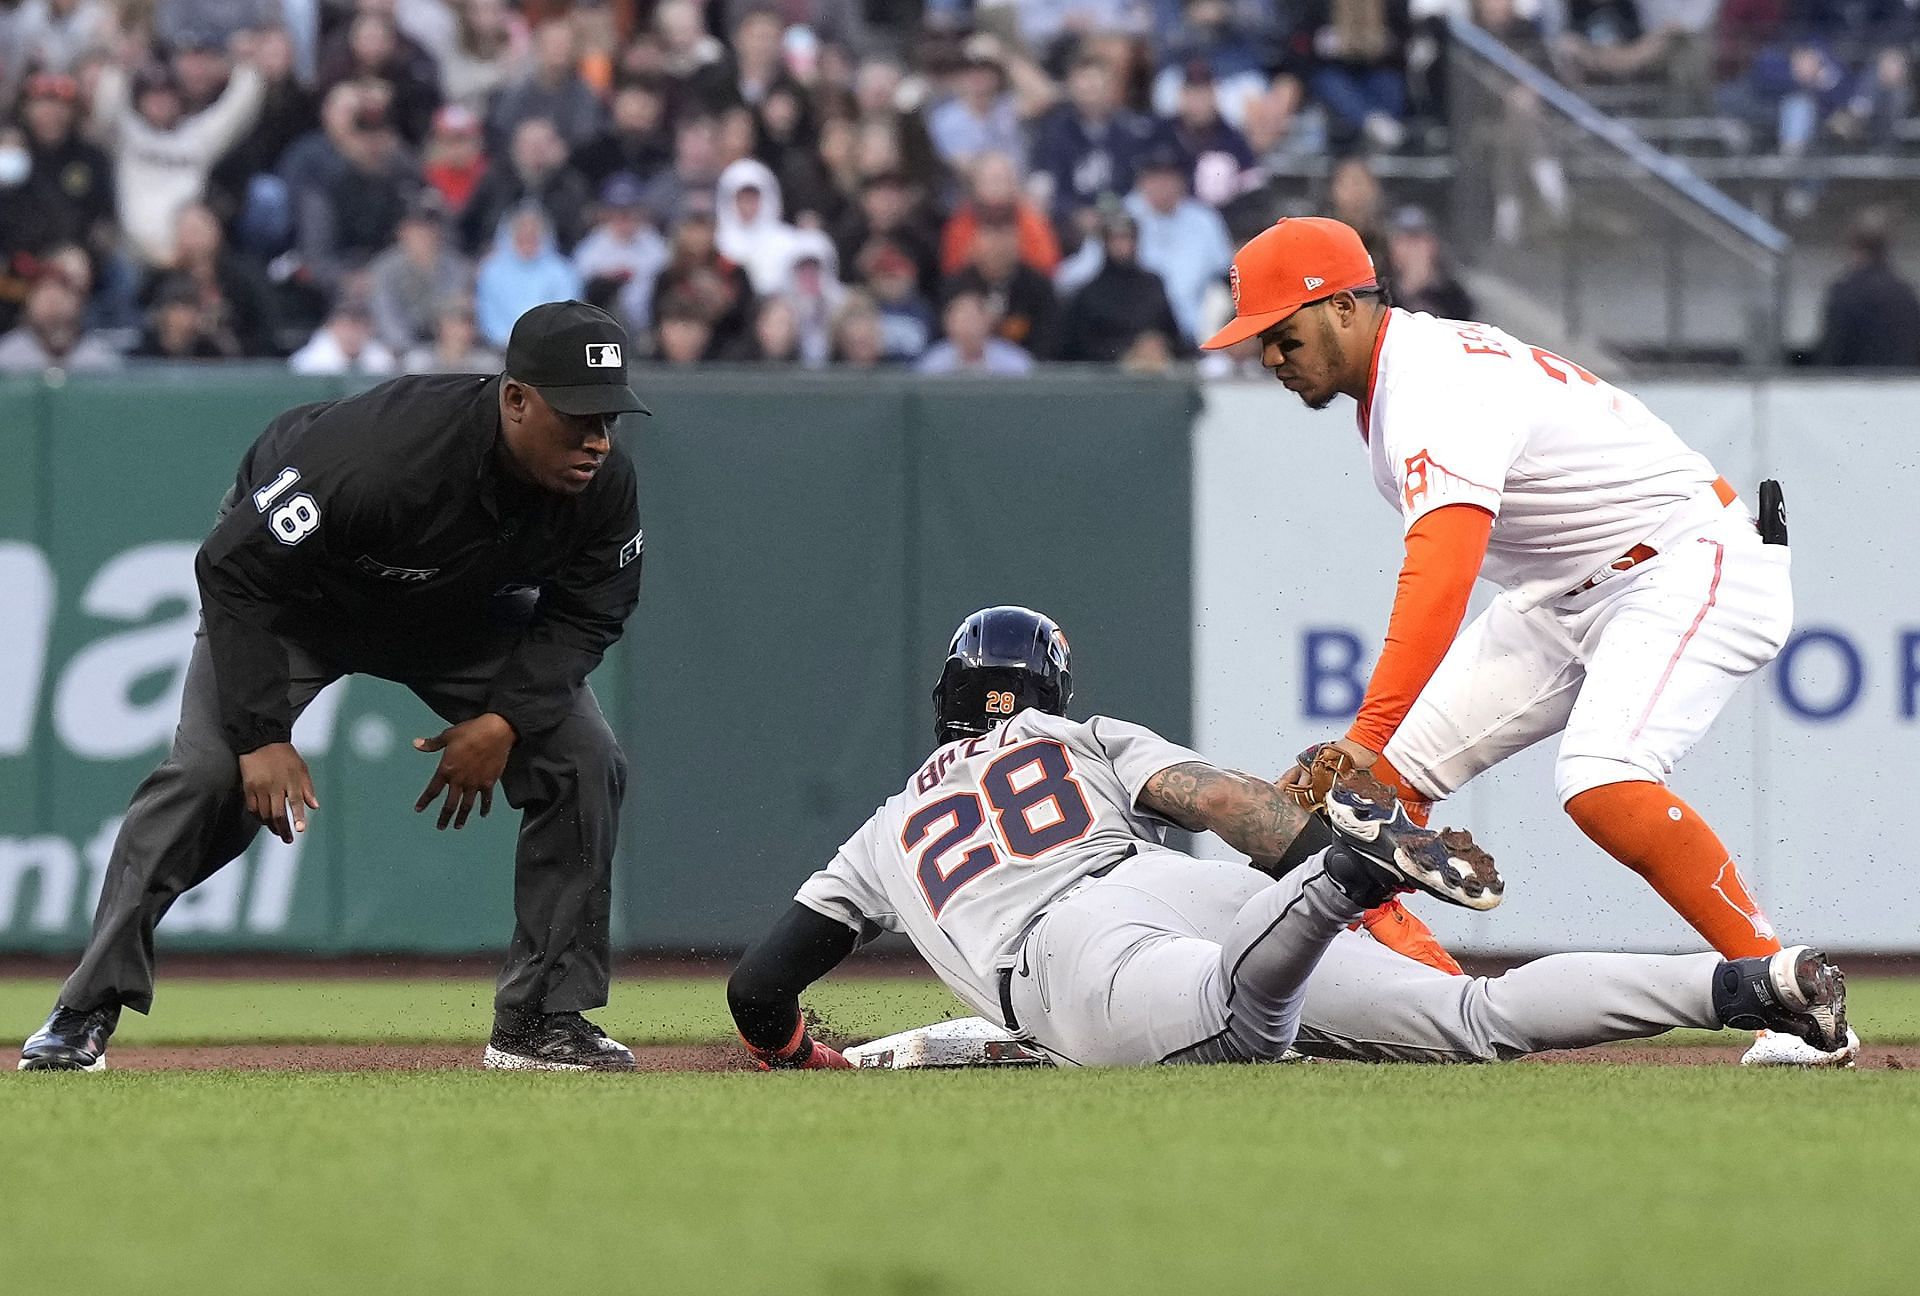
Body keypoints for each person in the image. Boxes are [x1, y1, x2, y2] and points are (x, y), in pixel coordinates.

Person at [1199, 217, 1857, 1067]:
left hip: (1683, 561)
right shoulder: (1397, 386)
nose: (1271, 358)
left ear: (1345, 309)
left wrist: (1365, 737)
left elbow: (1439, 580)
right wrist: (1375, 762)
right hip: (1566, 595)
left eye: (1281, 334)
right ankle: (1449, 1020)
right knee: (1358, 823)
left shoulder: (1430, 384)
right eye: (1258, 343)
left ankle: (1790, 1000)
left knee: (1601, 780)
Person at [725, 606, 1849, 1070]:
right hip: (1172, 886)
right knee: (1473, 1015)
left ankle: (1338, 890)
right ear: (1044, 687)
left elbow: (758, 990)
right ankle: (1754, 984)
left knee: (1245, 1038)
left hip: (1068, 962)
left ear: (952, 699)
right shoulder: (1079, 732)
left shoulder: (884, 832)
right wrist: (1309, 857)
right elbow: (1233, 809)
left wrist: (799, 1055)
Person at [18, 302, 650, 1074]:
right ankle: (84, 1008)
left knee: (584, 760)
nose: (597, 438)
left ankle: (541, 1021)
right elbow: (233, 570)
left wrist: (507, 719)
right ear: (515, 399)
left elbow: (593, 610)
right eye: (579, 414)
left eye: (609, 416)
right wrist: (261, 736)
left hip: (458, 618)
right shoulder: (378, 456)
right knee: (207, 776)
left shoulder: (602, 484)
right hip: (292, 605)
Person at [91, 38, 265, 269]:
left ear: (179, 99)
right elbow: (106, 108)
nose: (160, 102)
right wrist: (118, 68)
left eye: (167, 95)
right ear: (140, 99)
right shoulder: (127, 133)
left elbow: (237, 111)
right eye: (153, 95)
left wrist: (247, 66)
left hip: (187, 250)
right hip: (132, 251)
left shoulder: (197, 137)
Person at [1124, 146, 1233, 347]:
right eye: (1155, 177)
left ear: (1182, 181)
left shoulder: (1204, 220)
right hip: (1137, 334)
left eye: (1170, 177)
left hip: (1198, 334)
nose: (1163, 185)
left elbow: (1225, 274)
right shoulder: (1124, 216)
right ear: (1141, 181)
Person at [1057, 209, 1183, 365]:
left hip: (1157, 373)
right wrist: (1128, 352)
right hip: (1108, 380)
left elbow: (1174, 336)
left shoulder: (1152, 285)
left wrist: (1158, 344)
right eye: (1115, 239)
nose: (1121, 245)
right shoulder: (1089, 294)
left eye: (1127, 238)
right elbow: (1077, 348)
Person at [370, 190, 473, 353]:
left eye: (429, 228)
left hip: (444, 347)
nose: (423, 234)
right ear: (402, 232)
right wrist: (407, 349)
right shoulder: (385, 268)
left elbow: (455, 312)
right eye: (416, 228)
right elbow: (386, 315)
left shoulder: (456, 266)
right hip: (398, 349)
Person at [1815, 209, 1920, 368]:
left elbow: (1834, 351)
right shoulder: (1905, 293)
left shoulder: (1845, 292)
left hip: (1854, 386)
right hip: (1902, 387)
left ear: (1853, 247)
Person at [476, 205, 584, 348]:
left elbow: (567, 314)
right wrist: (508, 340)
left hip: (551, 347)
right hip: (500, 349)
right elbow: (488, 314)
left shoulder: (563, 271)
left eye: (533, 233)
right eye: (522, 232)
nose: (528, 238)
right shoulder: (491, 271)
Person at [0, 271, 121, 372]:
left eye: (61, 294)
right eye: (44, 294)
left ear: (78, 302)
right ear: (28, 303)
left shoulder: (102, 360)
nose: (53, 303)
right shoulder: (6, 357)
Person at [1383, 205, 1474, 320]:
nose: (1412, 250)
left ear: (1433, 245)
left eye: (1417, 241)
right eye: (1403, 241)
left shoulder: (1455, 297)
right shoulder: (1382, 293)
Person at [915, 287, 1033, 375]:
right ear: (948, 325)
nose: (967, 327)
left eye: (972, 319)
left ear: (987, 322)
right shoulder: (933, 363)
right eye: (961, 320)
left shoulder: (1013, 361)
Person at [288, 300, 399, 375]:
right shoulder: (307, 363)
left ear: (369, 330)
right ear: (331, 328)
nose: (352, 335)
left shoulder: (382, 359)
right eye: (345, 327)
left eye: (358, 328)